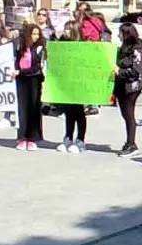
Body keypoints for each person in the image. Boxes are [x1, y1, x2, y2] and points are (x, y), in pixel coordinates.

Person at [54, 20, 89, 152]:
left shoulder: (83, 46)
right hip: (66, 82)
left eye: (68, 29)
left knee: (78, 111)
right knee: (68, 111)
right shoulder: (62, 42)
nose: (65, 31)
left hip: (79, 82)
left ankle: (80, 139)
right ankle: (67, 137)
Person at [114, 22, 142, 156]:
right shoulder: (123, 48)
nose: (119, 35)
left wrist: (120, 71)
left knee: (129, 115)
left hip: (132, 85)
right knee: (125, 114)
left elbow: (136, 70)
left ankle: (131, 144)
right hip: (122, 85)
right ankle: (129, 142)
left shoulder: (137, 48)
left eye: (121, 32)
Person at [14, 22, 47, 151]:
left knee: (33, 109)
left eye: (37, 34)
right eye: (33, 34)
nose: (35, 37)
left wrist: (21, 71)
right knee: (22, 109)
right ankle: (22, 137)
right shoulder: (21, 47)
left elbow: (38, 67)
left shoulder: (40, 48)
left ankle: (32, 138)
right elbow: (15, 61)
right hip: (21, 81)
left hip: (34, 80)